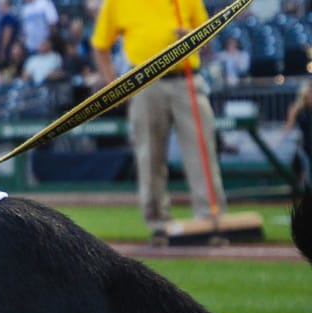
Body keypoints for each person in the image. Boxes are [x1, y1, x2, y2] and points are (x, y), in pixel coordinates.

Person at [92, 0, 227, 242]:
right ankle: (158, 223)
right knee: (149, 155)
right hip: (145, 82)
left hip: (187, 80)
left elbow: (209, 39)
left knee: (202, 151)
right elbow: (100, 45)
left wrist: (192, 37)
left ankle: (210, 221)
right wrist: (113, 84)